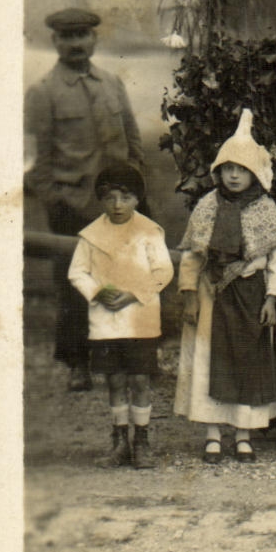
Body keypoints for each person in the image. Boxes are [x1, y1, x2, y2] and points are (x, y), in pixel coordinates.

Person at [26, 7, 145, 390]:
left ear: (94, 39)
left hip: (120, 204)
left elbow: (132, 139)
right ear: (55, 41)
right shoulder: (43, 93)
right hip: (72, 205)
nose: (76, 43)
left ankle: (123, 356)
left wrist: (135, 188)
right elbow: (36, 161)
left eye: (82, 35)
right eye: (67, 37)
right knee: (75, 286)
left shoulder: (112, 83)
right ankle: (77, 363)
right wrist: (56, 202)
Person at [174, 110, 276, 464]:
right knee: (211, 360)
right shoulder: (208, 206)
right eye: (228, 169)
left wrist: (272, 298)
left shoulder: (265, 208)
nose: (234, 175)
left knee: (247, 363)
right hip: (213, 295)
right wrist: (189, 296)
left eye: (242, 169)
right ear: (218, 171)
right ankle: (212, 434)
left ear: (254, 173)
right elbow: (192, 256)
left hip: (251, 296)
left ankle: (243, 434)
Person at [68, 161, 173, 468]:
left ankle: (142, 441)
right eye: (110, 198)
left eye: (125, 198)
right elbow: (77, 273)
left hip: (140, 319)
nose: (117, 205)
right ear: (101, 199)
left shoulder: (149, 232)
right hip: (107, 322)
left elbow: (163, 271)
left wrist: (134, 293)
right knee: (115, 380)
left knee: (139, 379)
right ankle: (119, 442)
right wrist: (98, 292)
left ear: (137, 199)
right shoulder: (91, 236)